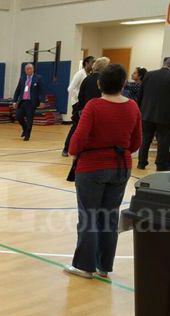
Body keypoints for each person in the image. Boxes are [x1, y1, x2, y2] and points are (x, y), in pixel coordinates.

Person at [65, 64, 142, 279]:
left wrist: (73, 152)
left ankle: (84, 266)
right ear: (124, 83)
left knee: (88, 217)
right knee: (109, 217)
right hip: (120, 167)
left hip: (92, 167)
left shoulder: (94, 106)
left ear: (99, 83)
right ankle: (104, 266)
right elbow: (136, 142)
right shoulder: (133, 107)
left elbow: (78, 139)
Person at [137, 58, 170, 171]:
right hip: (166, 115)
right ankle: (161, 164)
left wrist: (140, 110)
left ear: (164, 64)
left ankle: (141, 163)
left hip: (147, 113)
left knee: (145, 139)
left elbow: (141, 94)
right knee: (163, 140)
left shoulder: (149, 75)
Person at [62, 56, 94, 156]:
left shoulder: (91, 75)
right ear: (86, 63)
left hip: (85, 104)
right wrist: (80, 98)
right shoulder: (80, 74)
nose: (93, 65)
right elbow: (70, 88)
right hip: (77, 104)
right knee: (76, 127)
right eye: (92, 62)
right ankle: (66, 148)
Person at [12, 63, 45, 141]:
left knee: (29, 118)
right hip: (22, 101)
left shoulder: (38, 78)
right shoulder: (22, 78)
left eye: (30, 69)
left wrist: (42, 101)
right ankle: (24, 128)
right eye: (27, 69)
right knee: (18, 115)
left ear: (33, 69)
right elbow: (18, 90)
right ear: (25, 70)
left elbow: (42, 91)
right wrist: (14, 101)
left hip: (31, 102)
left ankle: (27, 135)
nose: (29, 70)